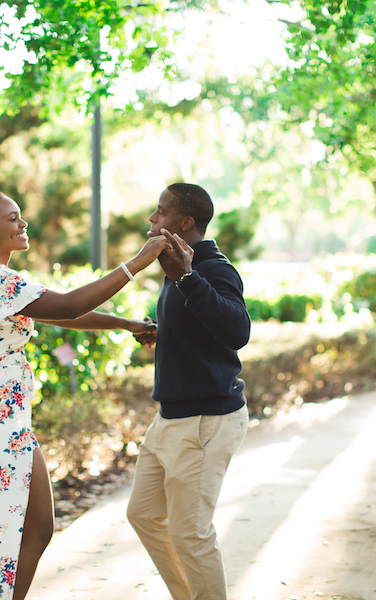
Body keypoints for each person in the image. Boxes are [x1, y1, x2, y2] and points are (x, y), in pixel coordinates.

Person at [0, 187, 169, 600]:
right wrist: (138, 264)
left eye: (20, 216)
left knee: (27, 527)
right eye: (12, 217)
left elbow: (64, 313)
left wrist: (125, 324)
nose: (22, 223)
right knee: (7, 529)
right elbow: (69, 306)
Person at [126, 182, 251, 600]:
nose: (152, 218)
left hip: (206, 421)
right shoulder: (177, 266)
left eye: (160, 211)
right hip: (170, 419)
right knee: (144, 514)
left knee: (190, 534)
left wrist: (188, 278)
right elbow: (203, 327)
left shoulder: (211, 268)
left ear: (185, 222)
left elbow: (237, 330)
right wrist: (163, 332)